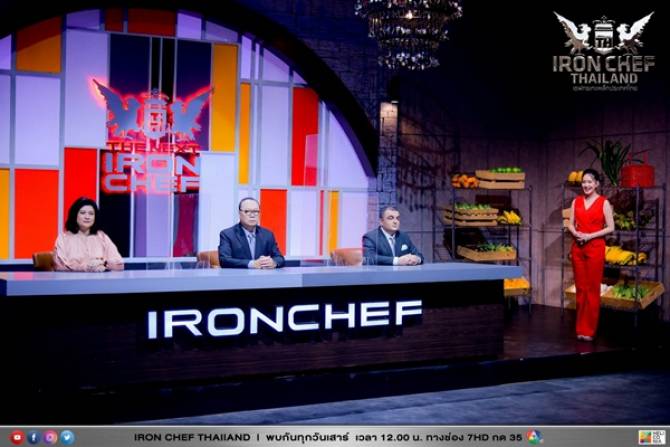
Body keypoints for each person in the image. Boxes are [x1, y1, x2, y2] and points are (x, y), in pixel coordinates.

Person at [567, 169, 615, 341]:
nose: (586, 185)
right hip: (578, 248)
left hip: (595, 247)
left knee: (592, 289)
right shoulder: (576, 201)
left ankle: (589, 330)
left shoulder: (604, 202)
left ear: (596, 184)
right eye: (584, 182)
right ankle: (580, 328)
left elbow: (611, 227)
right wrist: (575, 233)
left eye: (589, 182)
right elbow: (570, 224)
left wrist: (590, 236)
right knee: (581, 288)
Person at [54, 197, 124, 272]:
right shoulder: (63, 238)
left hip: (99, 278)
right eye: (82, 213)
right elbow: (59, 265)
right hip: (72, 279)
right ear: (75, 215)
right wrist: (87, 267)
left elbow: (119, 264)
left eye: (91, 214)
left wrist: (103, 263)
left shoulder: (102, 237)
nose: (87, 217)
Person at [218, 197, 285, 269]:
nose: (252, 215)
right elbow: (224, 260)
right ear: (239, 213)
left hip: (262, 275)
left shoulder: (267, 235)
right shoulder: (227, 234)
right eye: (247, 211)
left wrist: (273, 262)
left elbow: (280, 258)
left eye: (256, 211)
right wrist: (252, 264)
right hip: (239, 275)